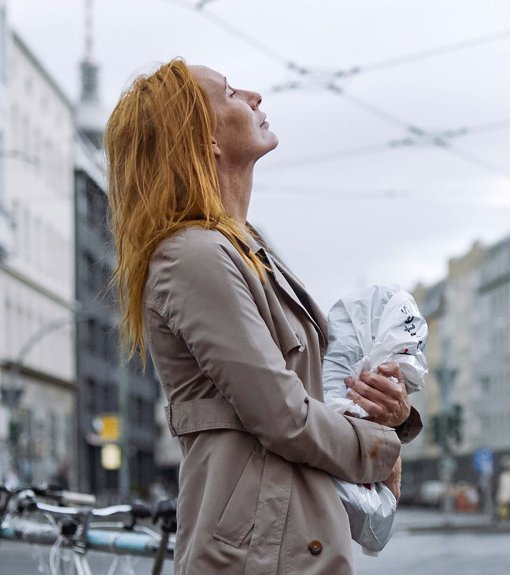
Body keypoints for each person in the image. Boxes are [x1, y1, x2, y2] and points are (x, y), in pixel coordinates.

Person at [105, 59, 421, 575]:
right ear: (203, 139)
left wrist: (389, 411)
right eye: (230, 93)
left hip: (286, 540)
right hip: (256, 553)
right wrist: (381, 449)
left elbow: (313, 393)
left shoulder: (245, 249)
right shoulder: (193, 256)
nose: (253, 95)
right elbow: (282, 414)